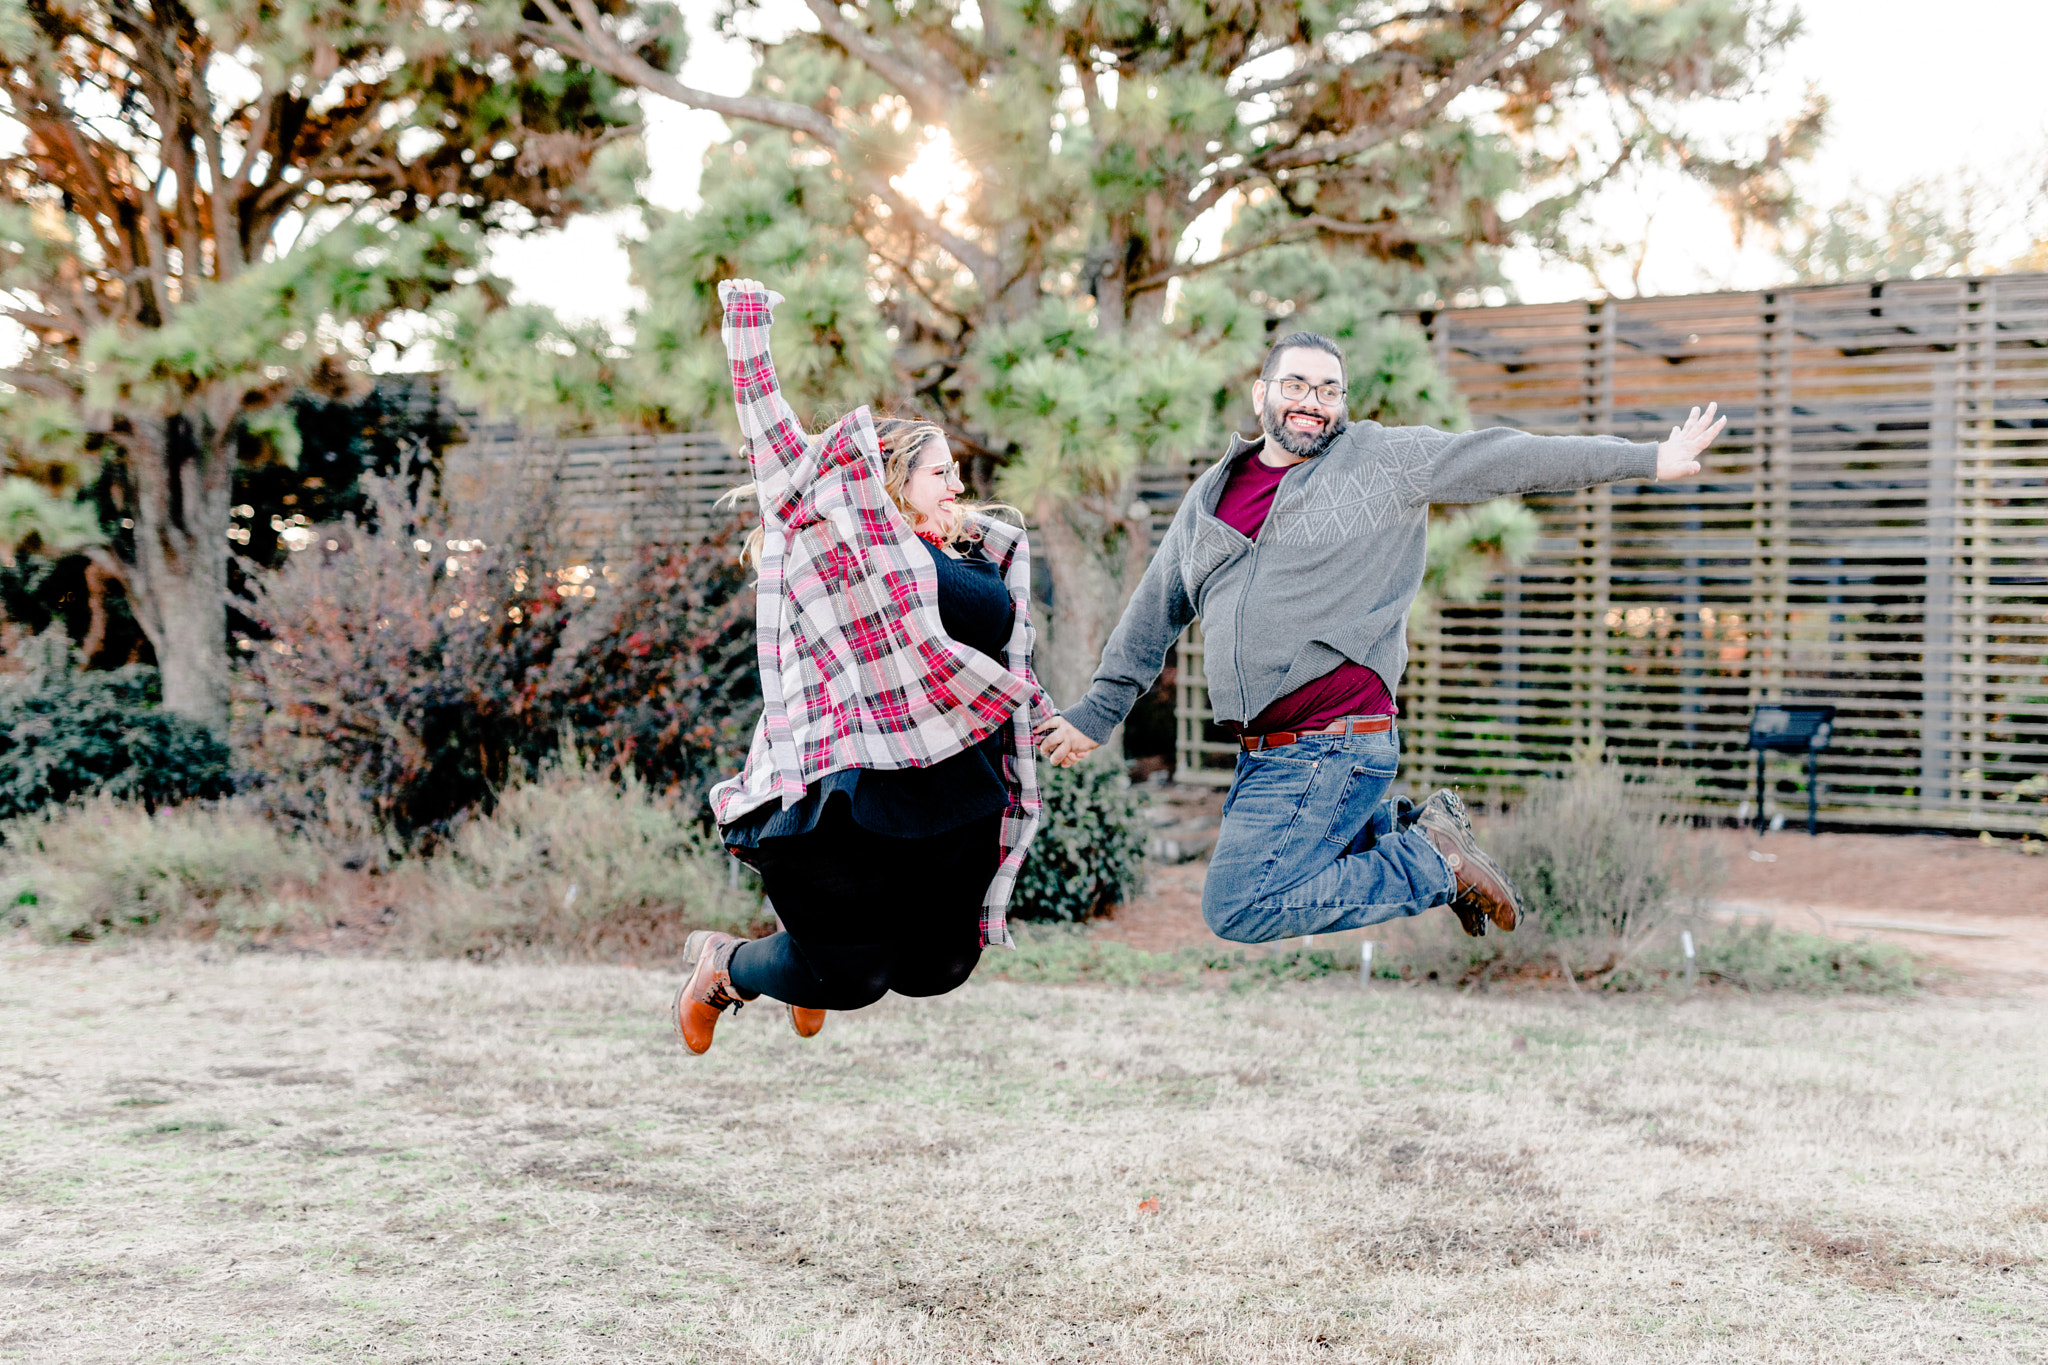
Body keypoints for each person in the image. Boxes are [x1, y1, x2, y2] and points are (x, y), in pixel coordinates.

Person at [1036, 330, 1724, 943]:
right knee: (1266, 887)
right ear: (1261, 395)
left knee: (1238, 905)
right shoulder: (1215, 492)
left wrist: (1645, 459)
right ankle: (1415, 834)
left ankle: (1432, 861)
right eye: (1297, 385)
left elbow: (1509, 457)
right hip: (1266, 751)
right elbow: (1158, 603)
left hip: (1332, 739)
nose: (1313, 401)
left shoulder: (1382, 460)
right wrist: (1099, 710)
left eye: (1329, 390)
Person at [674, 279, 1056, 1056]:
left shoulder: (984, 556)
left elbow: (999, 664)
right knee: (847, 978)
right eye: (939, 471)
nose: (958, 484)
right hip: (856, 783)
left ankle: (797, 953)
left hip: (958, 785)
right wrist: (747, 324)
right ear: (889, 480)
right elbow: (774, 443)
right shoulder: (856, 542)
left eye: (957, 473)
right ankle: (723, 966)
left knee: (938, 967)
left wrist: (1050, 718)